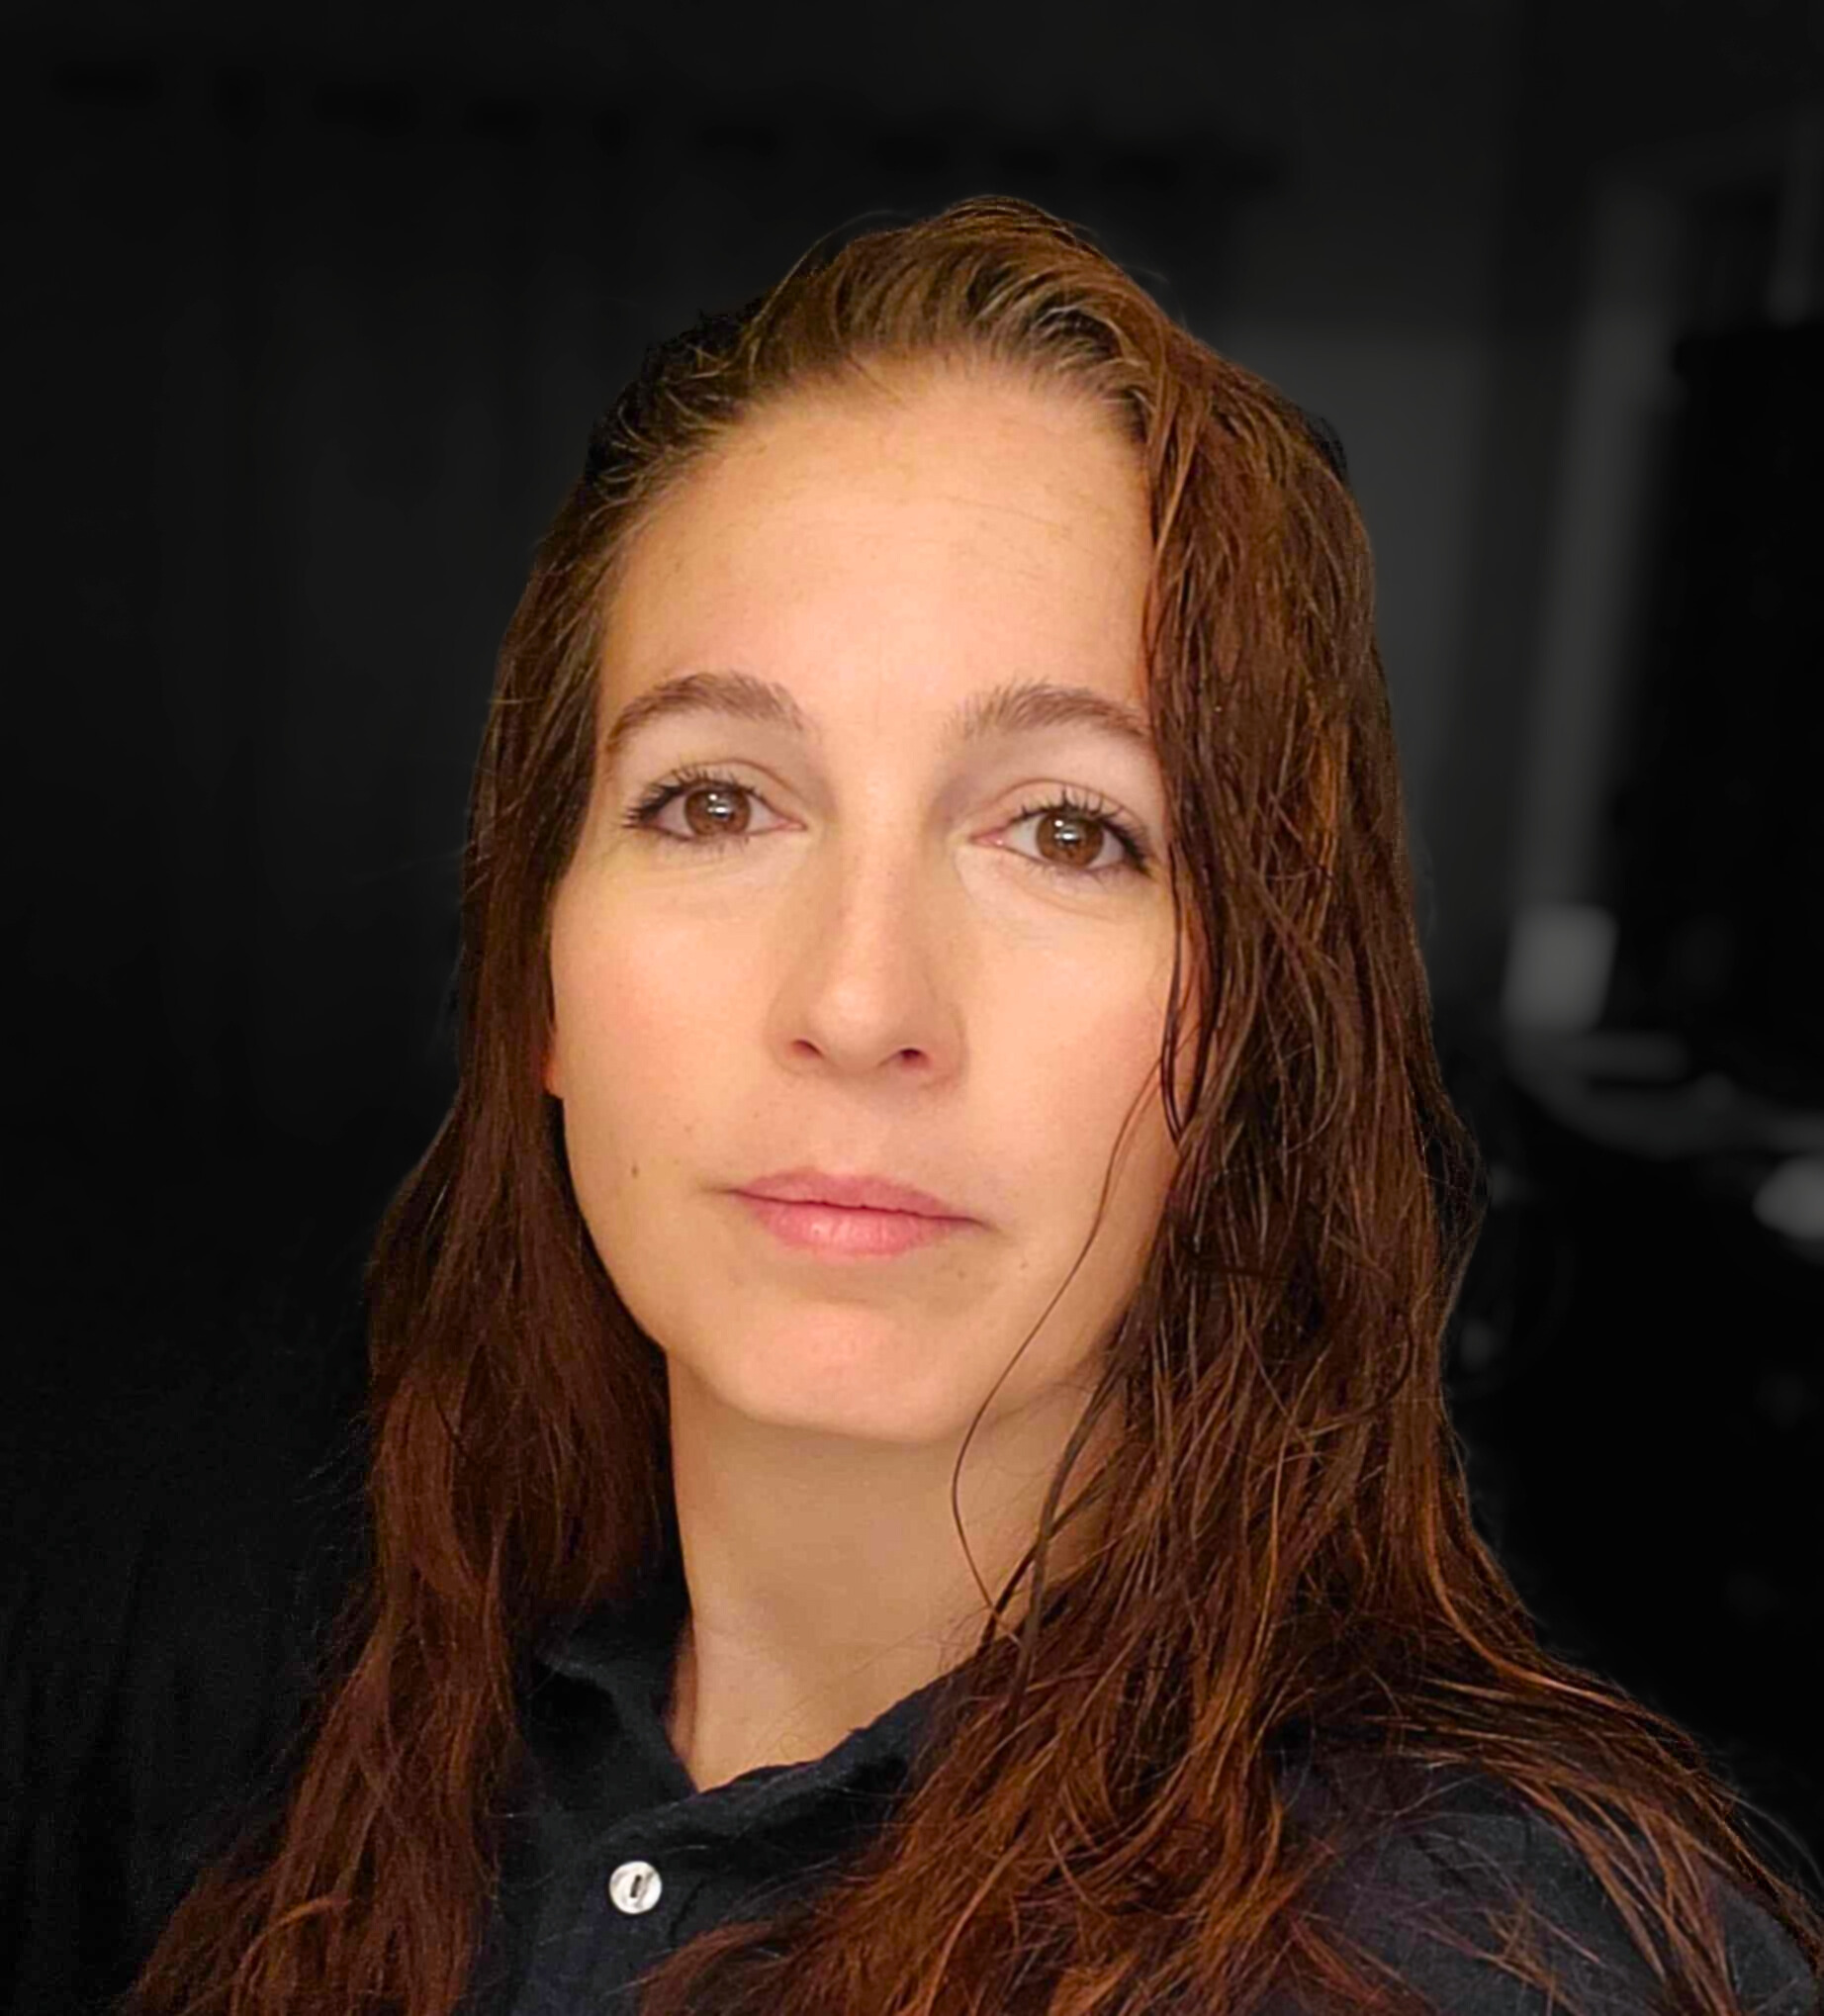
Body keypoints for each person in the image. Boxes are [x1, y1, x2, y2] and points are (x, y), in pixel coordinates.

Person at [120, 196, 1821, 2016]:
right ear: (538, 977)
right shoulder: (293, 1746)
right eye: (715, 801)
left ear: (1249, 1022)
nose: (861, 1004)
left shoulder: (1516, 1964)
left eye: (1068, 828)